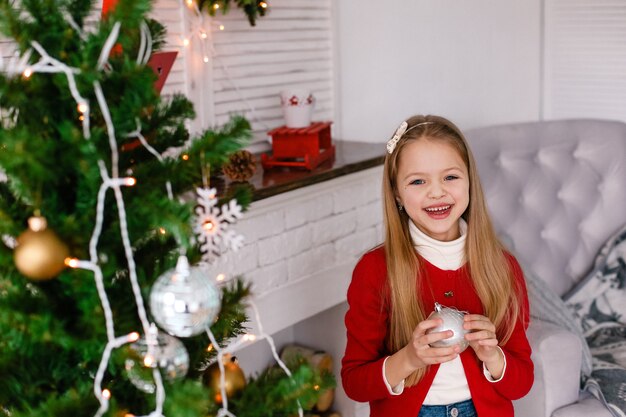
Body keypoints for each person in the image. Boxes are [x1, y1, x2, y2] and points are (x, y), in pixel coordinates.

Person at [341, 115, 533, 417]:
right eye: (418, 181)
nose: (436, 192)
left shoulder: (502, 268)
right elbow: (354, 384)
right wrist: (409, 358)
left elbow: (521, 384)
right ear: (396, 193)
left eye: (450, 177)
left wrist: (493, 356)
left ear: (470, 179)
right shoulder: (375, 270)